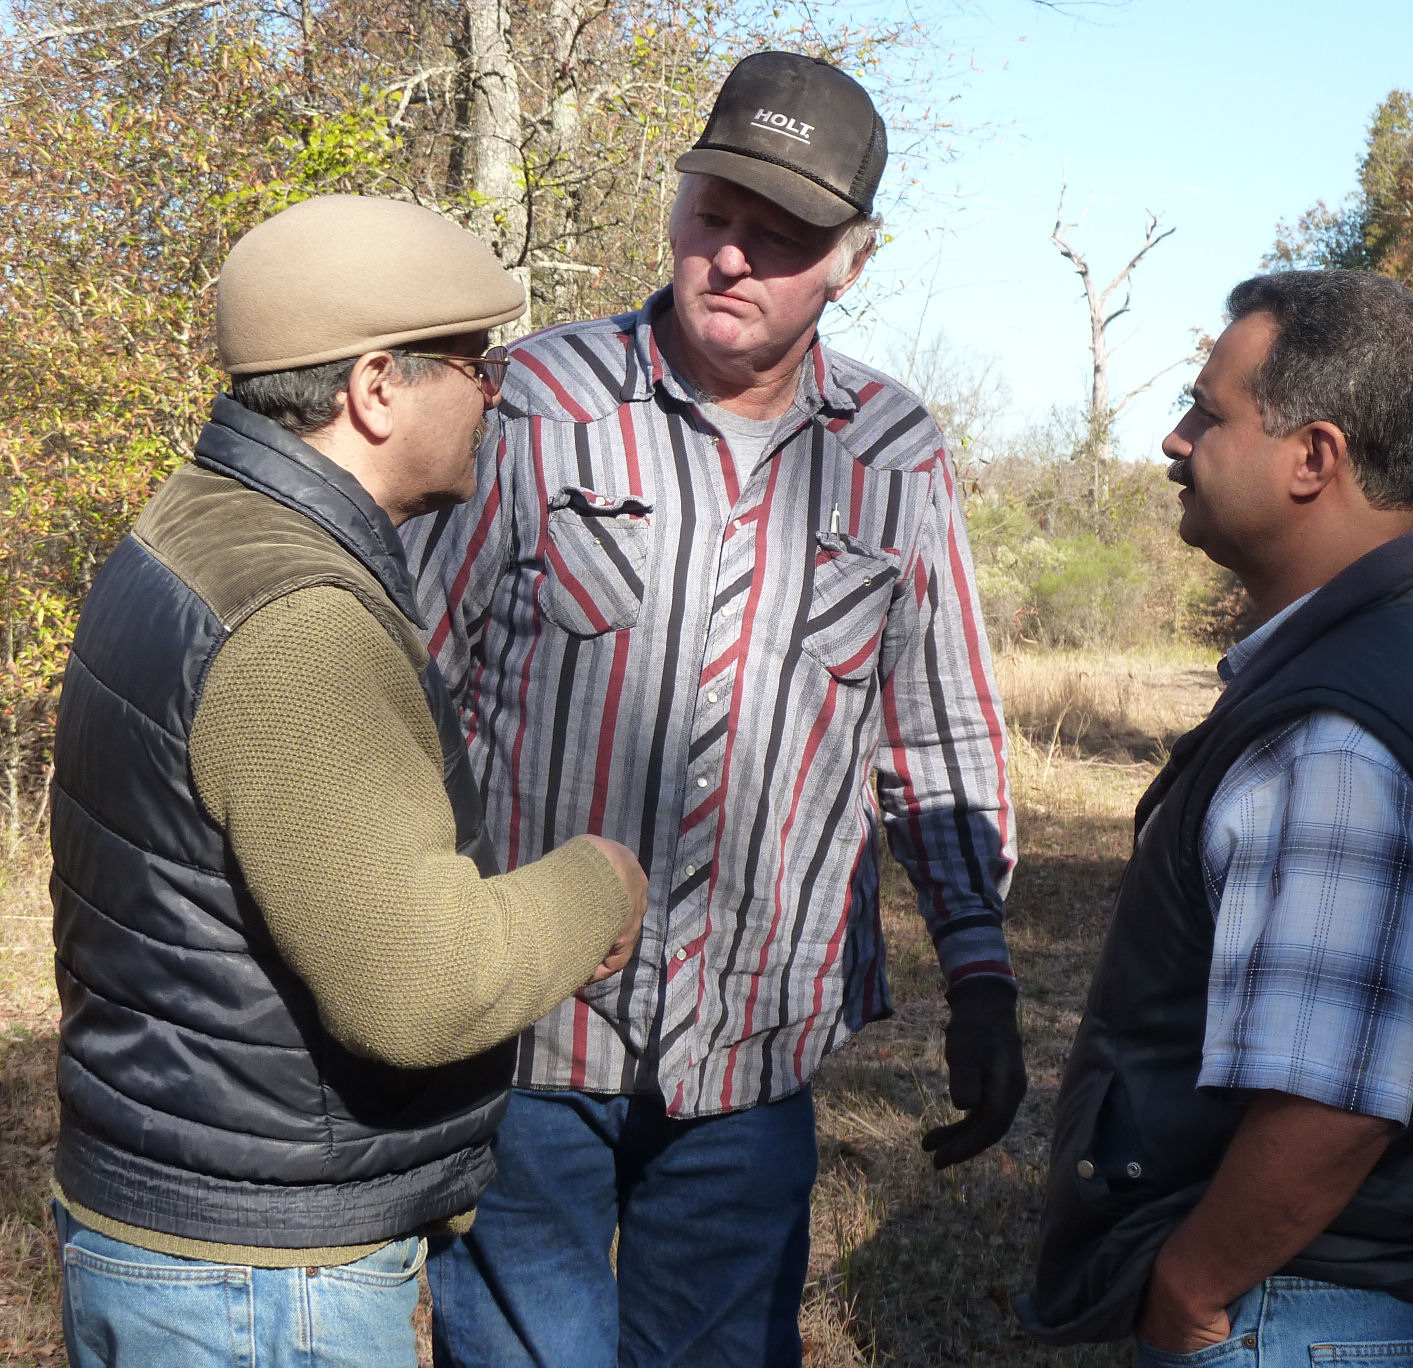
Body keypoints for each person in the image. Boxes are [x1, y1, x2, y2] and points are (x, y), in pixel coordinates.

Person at [404, 50, 1024, 1368]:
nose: (733, 257)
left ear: (853, 261)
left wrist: (979, 973)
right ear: (677, 207)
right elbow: (406, 687)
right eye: (714, 214)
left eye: (781, 235)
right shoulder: (534, 406)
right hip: (527, 1042)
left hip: (754, 1049)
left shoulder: (893, 455)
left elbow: (938, 733)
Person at [46, 194, 648, 1368]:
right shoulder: (300, 622)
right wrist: (600, 884)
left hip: (187, 1227)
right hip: (258, 1288)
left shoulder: (197, 525)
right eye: (475, 365)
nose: (495, 394)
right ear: (376, 388)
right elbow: (418, 987)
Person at [1017, 270, 1413, 1362]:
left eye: (1208, 414)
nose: (1176, 441)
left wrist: (1193, 1289)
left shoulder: (1337, 734)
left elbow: (1332, 1100)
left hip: (1298, 1315)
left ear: (1314, 457)